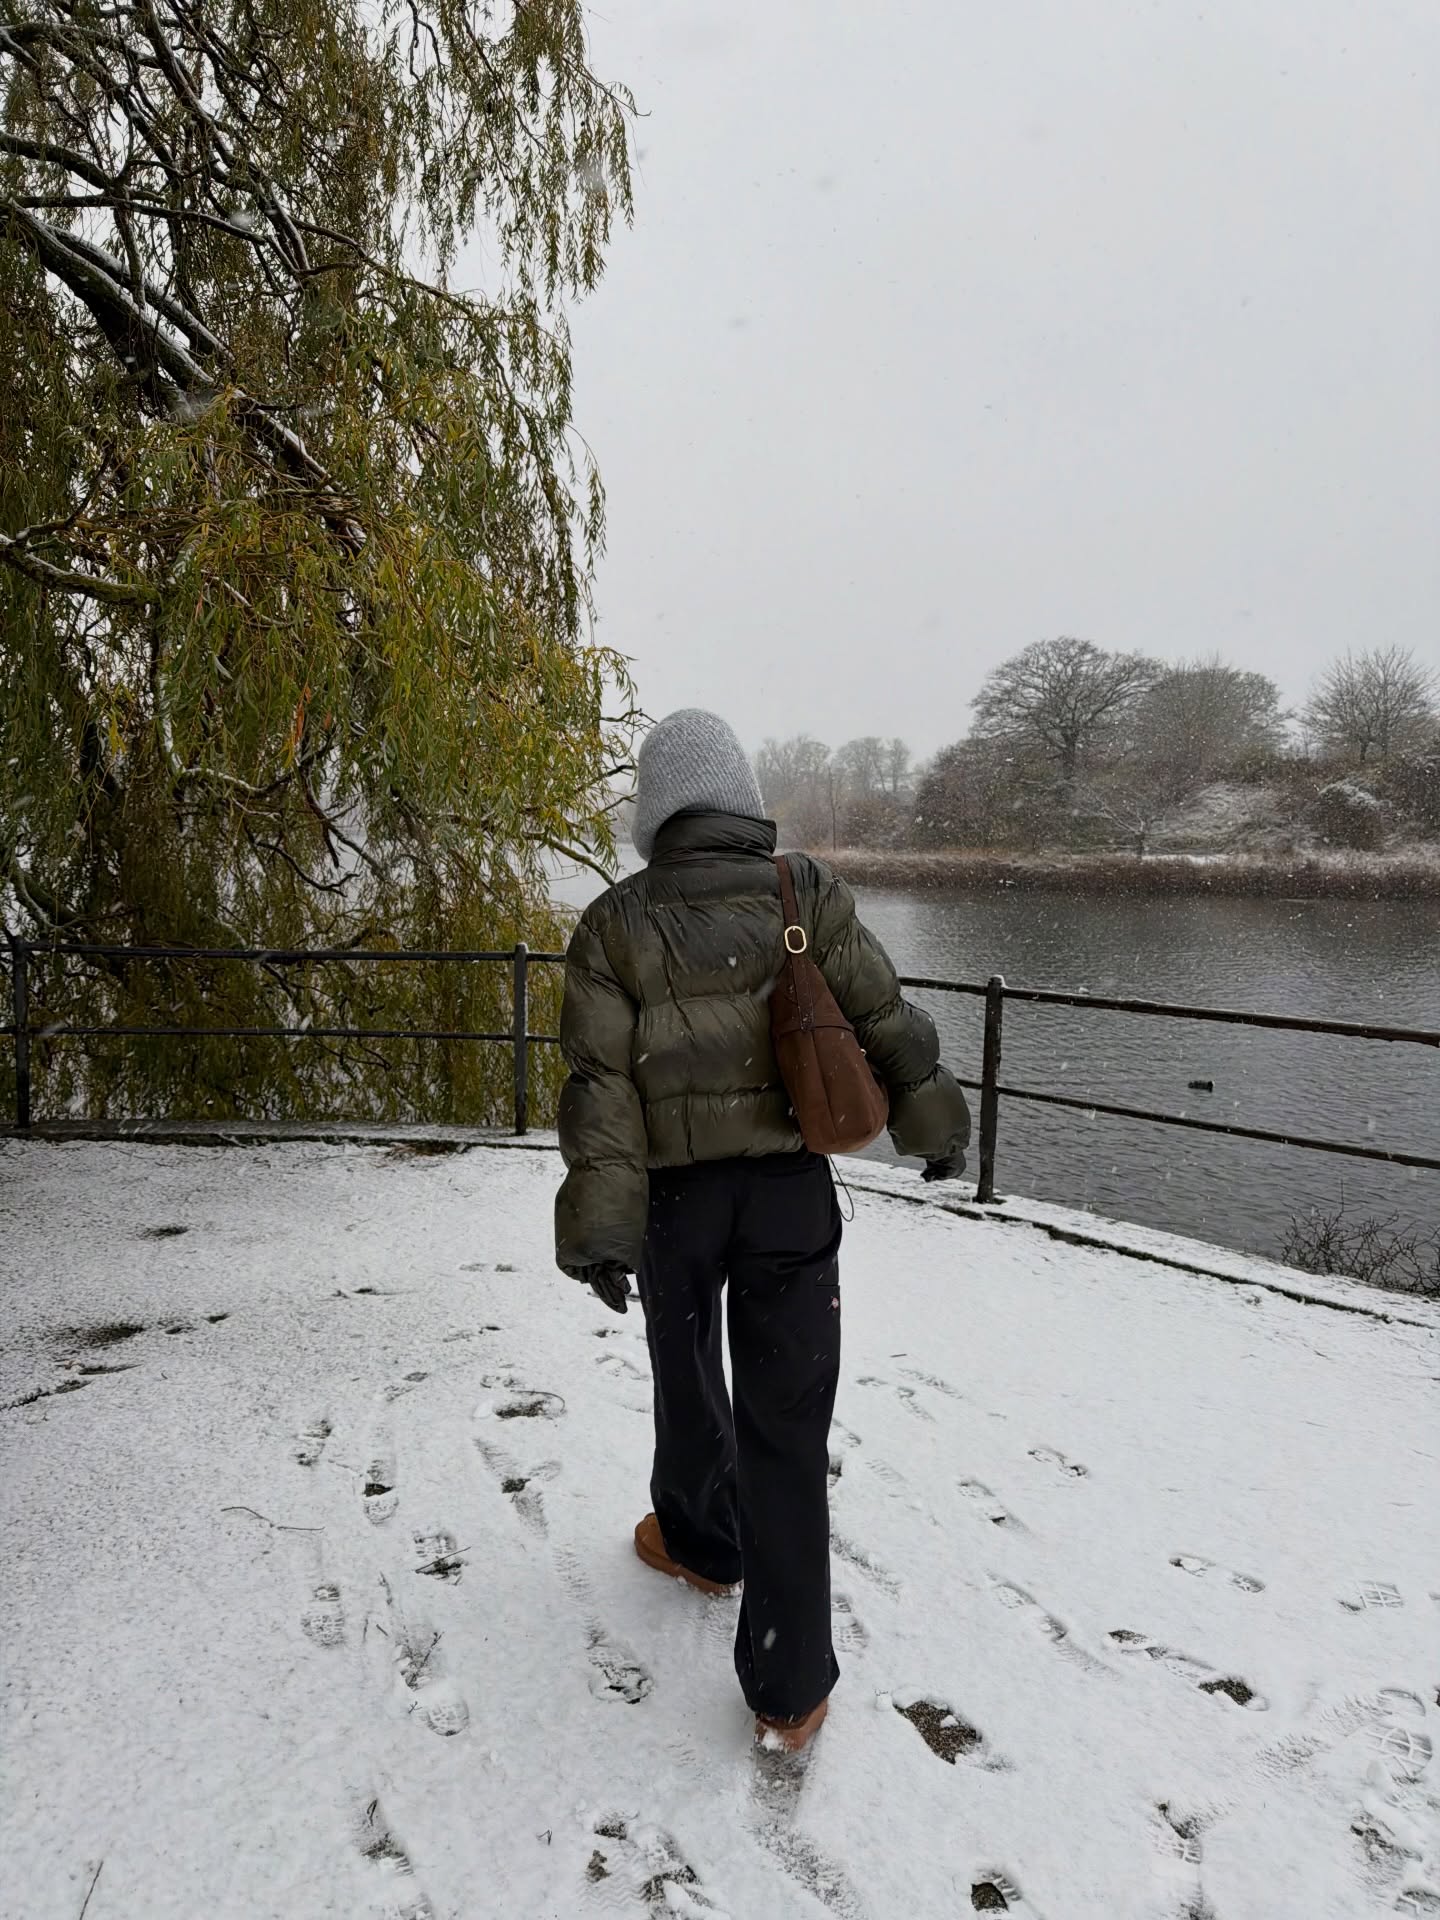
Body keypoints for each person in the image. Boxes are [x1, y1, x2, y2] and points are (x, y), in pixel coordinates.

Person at [555, 709, 970, 1752]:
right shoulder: (806, 891)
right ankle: (789, 1685)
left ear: (657, 810)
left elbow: (602, 1089)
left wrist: (607, 1231)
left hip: (677, 1204)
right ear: (741, 796)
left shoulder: (615, 923)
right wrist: (936, 1126)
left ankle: (699, 1543)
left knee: (688, 1375)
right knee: (787, 1426)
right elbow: (884, 1018)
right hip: (790, 1193)